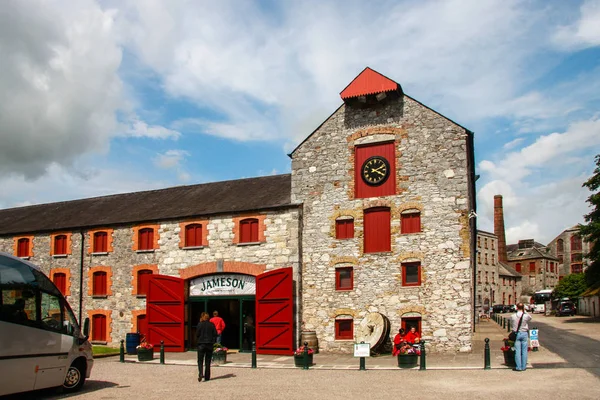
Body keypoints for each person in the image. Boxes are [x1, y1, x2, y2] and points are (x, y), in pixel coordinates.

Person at [196, 312, 217, 382]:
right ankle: (207, 376)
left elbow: (197, 334)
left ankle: (200, 373)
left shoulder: (200, 324)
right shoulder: (211, 325)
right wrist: (213, 341)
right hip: (209, 344)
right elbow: (215, 334)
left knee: (200, 360)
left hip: (201, 344)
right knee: (208, 361)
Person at [510, 302, 532, 371]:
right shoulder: (525, 316)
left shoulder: (513, 316)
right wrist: (524, 311)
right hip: (524, 333)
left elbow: (512, 324)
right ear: (523, 308)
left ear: (516, 307)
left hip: (517, 333)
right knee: (524, 351)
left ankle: (518, 367)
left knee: (517, 351)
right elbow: (530, 318)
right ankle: (523, 366)